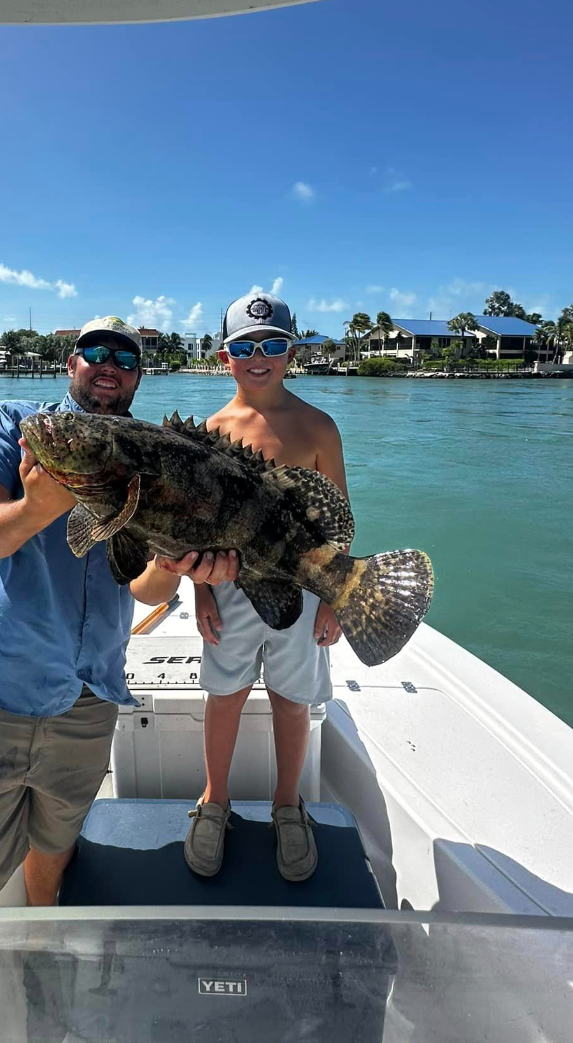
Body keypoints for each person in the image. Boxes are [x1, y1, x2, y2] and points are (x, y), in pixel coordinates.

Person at [0, 315, 237, 1043]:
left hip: (88, 693)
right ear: (70, 364)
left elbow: (147, 589)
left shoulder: (155, 458)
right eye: (94, 353)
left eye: (124, 358)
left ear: (138, 376)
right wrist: (40, 503)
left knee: (56, 844)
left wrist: (194, 567)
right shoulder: (17, 427)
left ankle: (40, 955)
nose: (108, 365)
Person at [184, 292, 350, 883]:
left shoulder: (318, 427)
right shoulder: (210, 430)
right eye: (245, 347)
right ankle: (214, 800)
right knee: (224, 694)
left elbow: (338, 520)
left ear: (292, 352)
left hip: (300, 589)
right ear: (225, 357)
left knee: (291, 697)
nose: (260, 357)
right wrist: (201, 592)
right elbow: (196, 529)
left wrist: (333, 596)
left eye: (273, 345)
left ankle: (287, 803)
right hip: (229, 585)